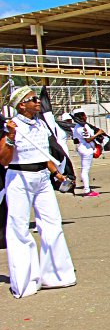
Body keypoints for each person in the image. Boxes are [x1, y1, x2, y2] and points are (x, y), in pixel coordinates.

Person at [1, 86, 77, 298]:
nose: (38, 102)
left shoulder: (40, 124)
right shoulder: (12, 126)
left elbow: (43, 153)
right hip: (19, 177)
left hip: (42, 177)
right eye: (33, 99)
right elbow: (4, 159)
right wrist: (10, 137)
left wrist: (57, 173)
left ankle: (56, 275)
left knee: (52, 223)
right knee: (19, 228)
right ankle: (25, 282)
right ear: (21, 105)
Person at [70, 109, 103, 197]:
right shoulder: (81, 128)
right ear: (81, 116)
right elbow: (88, 139)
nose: (86, 116)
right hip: (86, 149)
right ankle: (87, 190)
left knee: (84, 170)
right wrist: (98, 134)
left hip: (82, 148)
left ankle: (87, 189)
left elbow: (75, 140)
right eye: (84, 115)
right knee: (85, 170)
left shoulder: (78, 126)